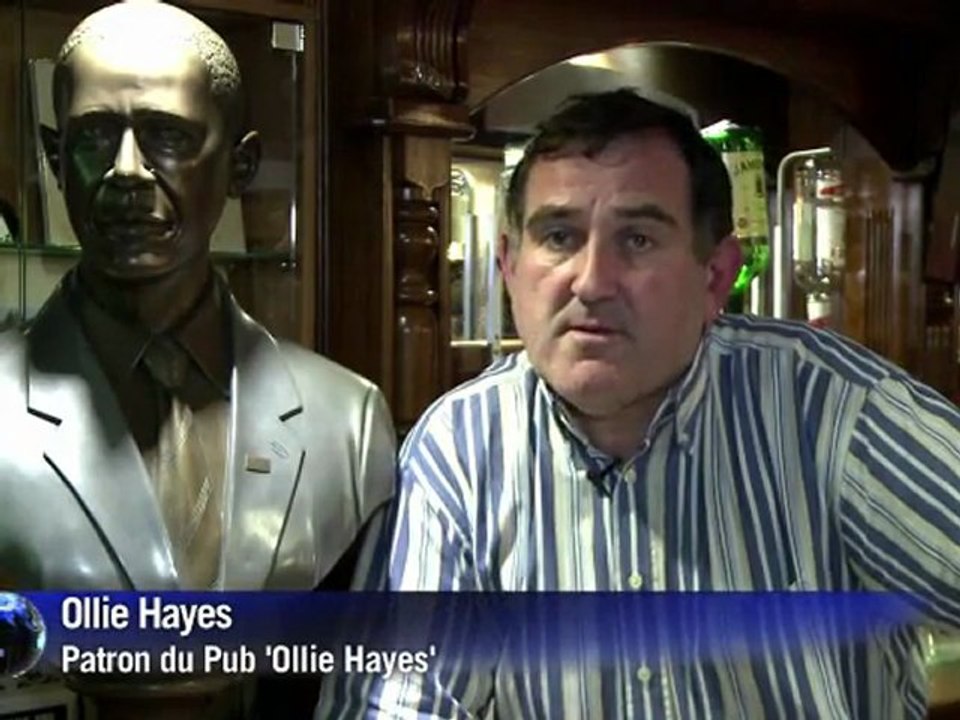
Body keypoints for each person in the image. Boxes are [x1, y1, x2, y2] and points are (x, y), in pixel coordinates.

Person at [317, 89, 960, 718]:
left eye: (638, 240)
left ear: (716, 276)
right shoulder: (461, 449)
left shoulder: (833, 411)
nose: (592, 282)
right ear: (509, 267)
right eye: (559, 236)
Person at [0, 0, 394, 716]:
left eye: (167, 136)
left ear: (241, 164)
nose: (126, 171)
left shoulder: (346, 419)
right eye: (95, 137)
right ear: (56, 160)